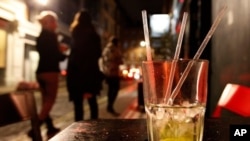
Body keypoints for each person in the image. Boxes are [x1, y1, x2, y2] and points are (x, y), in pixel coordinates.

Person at [33, 11, 67, 138]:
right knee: (50, 101)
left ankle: (50, 126)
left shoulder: (41, 36)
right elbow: (56, 56)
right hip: (50, 72)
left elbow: (45, 53)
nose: (56, 24)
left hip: (40, 71)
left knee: (45, 101)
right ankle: (36, 126)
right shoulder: (51, 36)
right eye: (54, 21)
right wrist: (63, 52)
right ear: (49, 22)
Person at [66, 10, 103, 121]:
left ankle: (78, 132)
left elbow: (74, 55)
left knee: (78, 106)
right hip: (90, 73)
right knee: (93, 103)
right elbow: (98, 54)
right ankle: (95, 129)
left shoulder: (75, 33)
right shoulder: (94, 36)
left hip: (76, 73)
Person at [100, 36, 123, 116]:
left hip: (108, 72)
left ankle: (110, 106)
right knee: (115, 89)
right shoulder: (113, 49)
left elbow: (103, 60)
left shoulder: (107, 49)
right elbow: (117, 59)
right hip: (113, 72)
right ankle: (110, 106)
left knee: (111, 90)